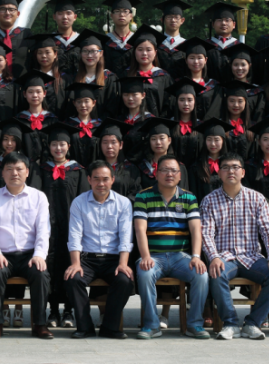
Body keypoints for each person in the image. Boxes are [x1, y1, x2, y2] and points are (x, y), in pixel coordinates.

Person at [200, 154, 269, 341]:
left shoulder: (256, 198)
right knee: (216, 272)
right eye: (225, 167)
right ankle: (230, 324)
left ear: (243, 172)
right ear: (219, 173)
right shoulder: (209, 200)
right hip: (224, 257)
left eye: (235, 167)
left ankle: (253, 323)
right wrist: (214, 257)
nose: (231, 171)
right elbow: (205, 233)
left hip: (251, 257)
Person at [133, 155, 211, 340]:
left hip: (180, 257)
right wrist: (145, 256)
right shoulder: (143, 196)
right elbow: (140, 229)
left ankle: (194, 324)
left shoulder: (189, 197)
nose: (170, 174)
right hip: (154, 256)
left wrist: (196, 256)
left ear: (180, 175)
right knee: (145, 274)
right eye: (165, 170)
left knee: (201, 275)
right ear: (156, 173)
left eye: (174, 171)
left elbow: (196, 229)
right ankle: (151, 325)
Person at [0, 152, 54, 340]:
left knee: (41, 274)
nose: (15, 173)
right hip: (3, 255)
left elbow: (43, 230)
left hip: (30, 254)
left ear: (27, 172)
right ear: (2, 173)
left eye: (19, 169)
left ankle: (40, 324)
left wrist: (39, 255)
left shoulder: (38, 197)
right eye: (10, 169)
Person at [65, 161, 134, 340]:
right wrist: (75, 263)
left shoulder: (123, 203)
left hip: (113, 258)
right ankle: (85, 327)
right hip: (87, 258)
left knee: (125, 280)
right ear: (89, 179)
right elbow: (75, 235)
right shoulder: (79, 202)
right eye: (96, 179)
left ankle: (110, 327)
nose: (101, 183)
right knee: (73, 278)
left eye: (105, 179)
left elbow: (125, 236)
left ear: (112, 180)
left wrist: (123, 263)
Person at [39, 123, 89, 329]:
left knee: (70, 266)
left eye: (62, 144)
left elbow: (85, 200)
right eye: (54, 144)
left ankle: (69, 310)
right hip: (48, 229)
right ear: (49, 146)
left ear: (68, 146)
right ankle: (52, 311)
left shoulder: (78, 171)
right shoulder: (41, 169)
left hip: (72, 228)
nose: (58, 148)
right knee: (51, 267)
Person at [102, 0, 142, 74]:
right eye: (117, 11)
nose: (121, 14)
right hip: (109, 81)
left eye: (125, 11)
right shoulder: (105, 41)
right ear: (112, 16)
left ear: (131, 16)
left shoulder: (138, 41)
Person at [47, 0, 86, 74]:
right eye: (60, 13)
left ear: (75, 17)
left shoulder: (82, 40)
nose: (65, 17)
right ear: (54, 17)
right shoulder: (48, 41)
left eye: (68, 13)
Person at [154, 0, 191, 79]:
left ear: (182, 20)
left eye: (176, 17)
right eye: (169, 17)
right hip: (159, 83)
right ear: (162, 20)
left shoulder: (187, 45)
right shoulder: (156, 43)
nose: (173, 20)